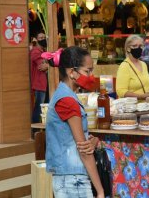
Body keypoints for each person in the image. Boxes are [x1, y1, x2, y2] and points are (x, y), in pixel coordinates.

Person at [45, 46, 105, 198]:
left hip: (70, 178)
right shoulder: (67, 101)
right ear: (72, 72)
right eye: (87, 71)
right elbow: (84, 151)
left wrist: (93, 140)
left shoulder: (65, 95)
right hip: (73, 180)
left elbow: (78, 141)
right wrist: (100, 190)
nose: (91, 76)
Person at [116, 34, 149, 98]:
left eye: (140, 46)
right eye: (134, 46)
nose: (138, 48)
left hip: (146, 105)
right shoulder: (124, 66)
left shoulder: (143, 64)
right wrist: (140, 96)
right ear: (128, 49)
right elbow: (120, 91)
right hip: (131, 106)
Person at [30, 32, 48, 123]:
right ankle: (35, 131)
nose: (43, 39)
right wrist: (49, 65)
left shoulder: (44, 52)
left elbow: (46, 65)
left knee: (42, 109)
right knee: (38, 109)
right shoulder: (35, 51)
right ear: (36, 40)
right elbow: (42, 66)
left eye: (44, 37)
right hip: (38, 85)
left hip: (43, 85)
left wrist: (48, 65)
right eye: (40, 38)